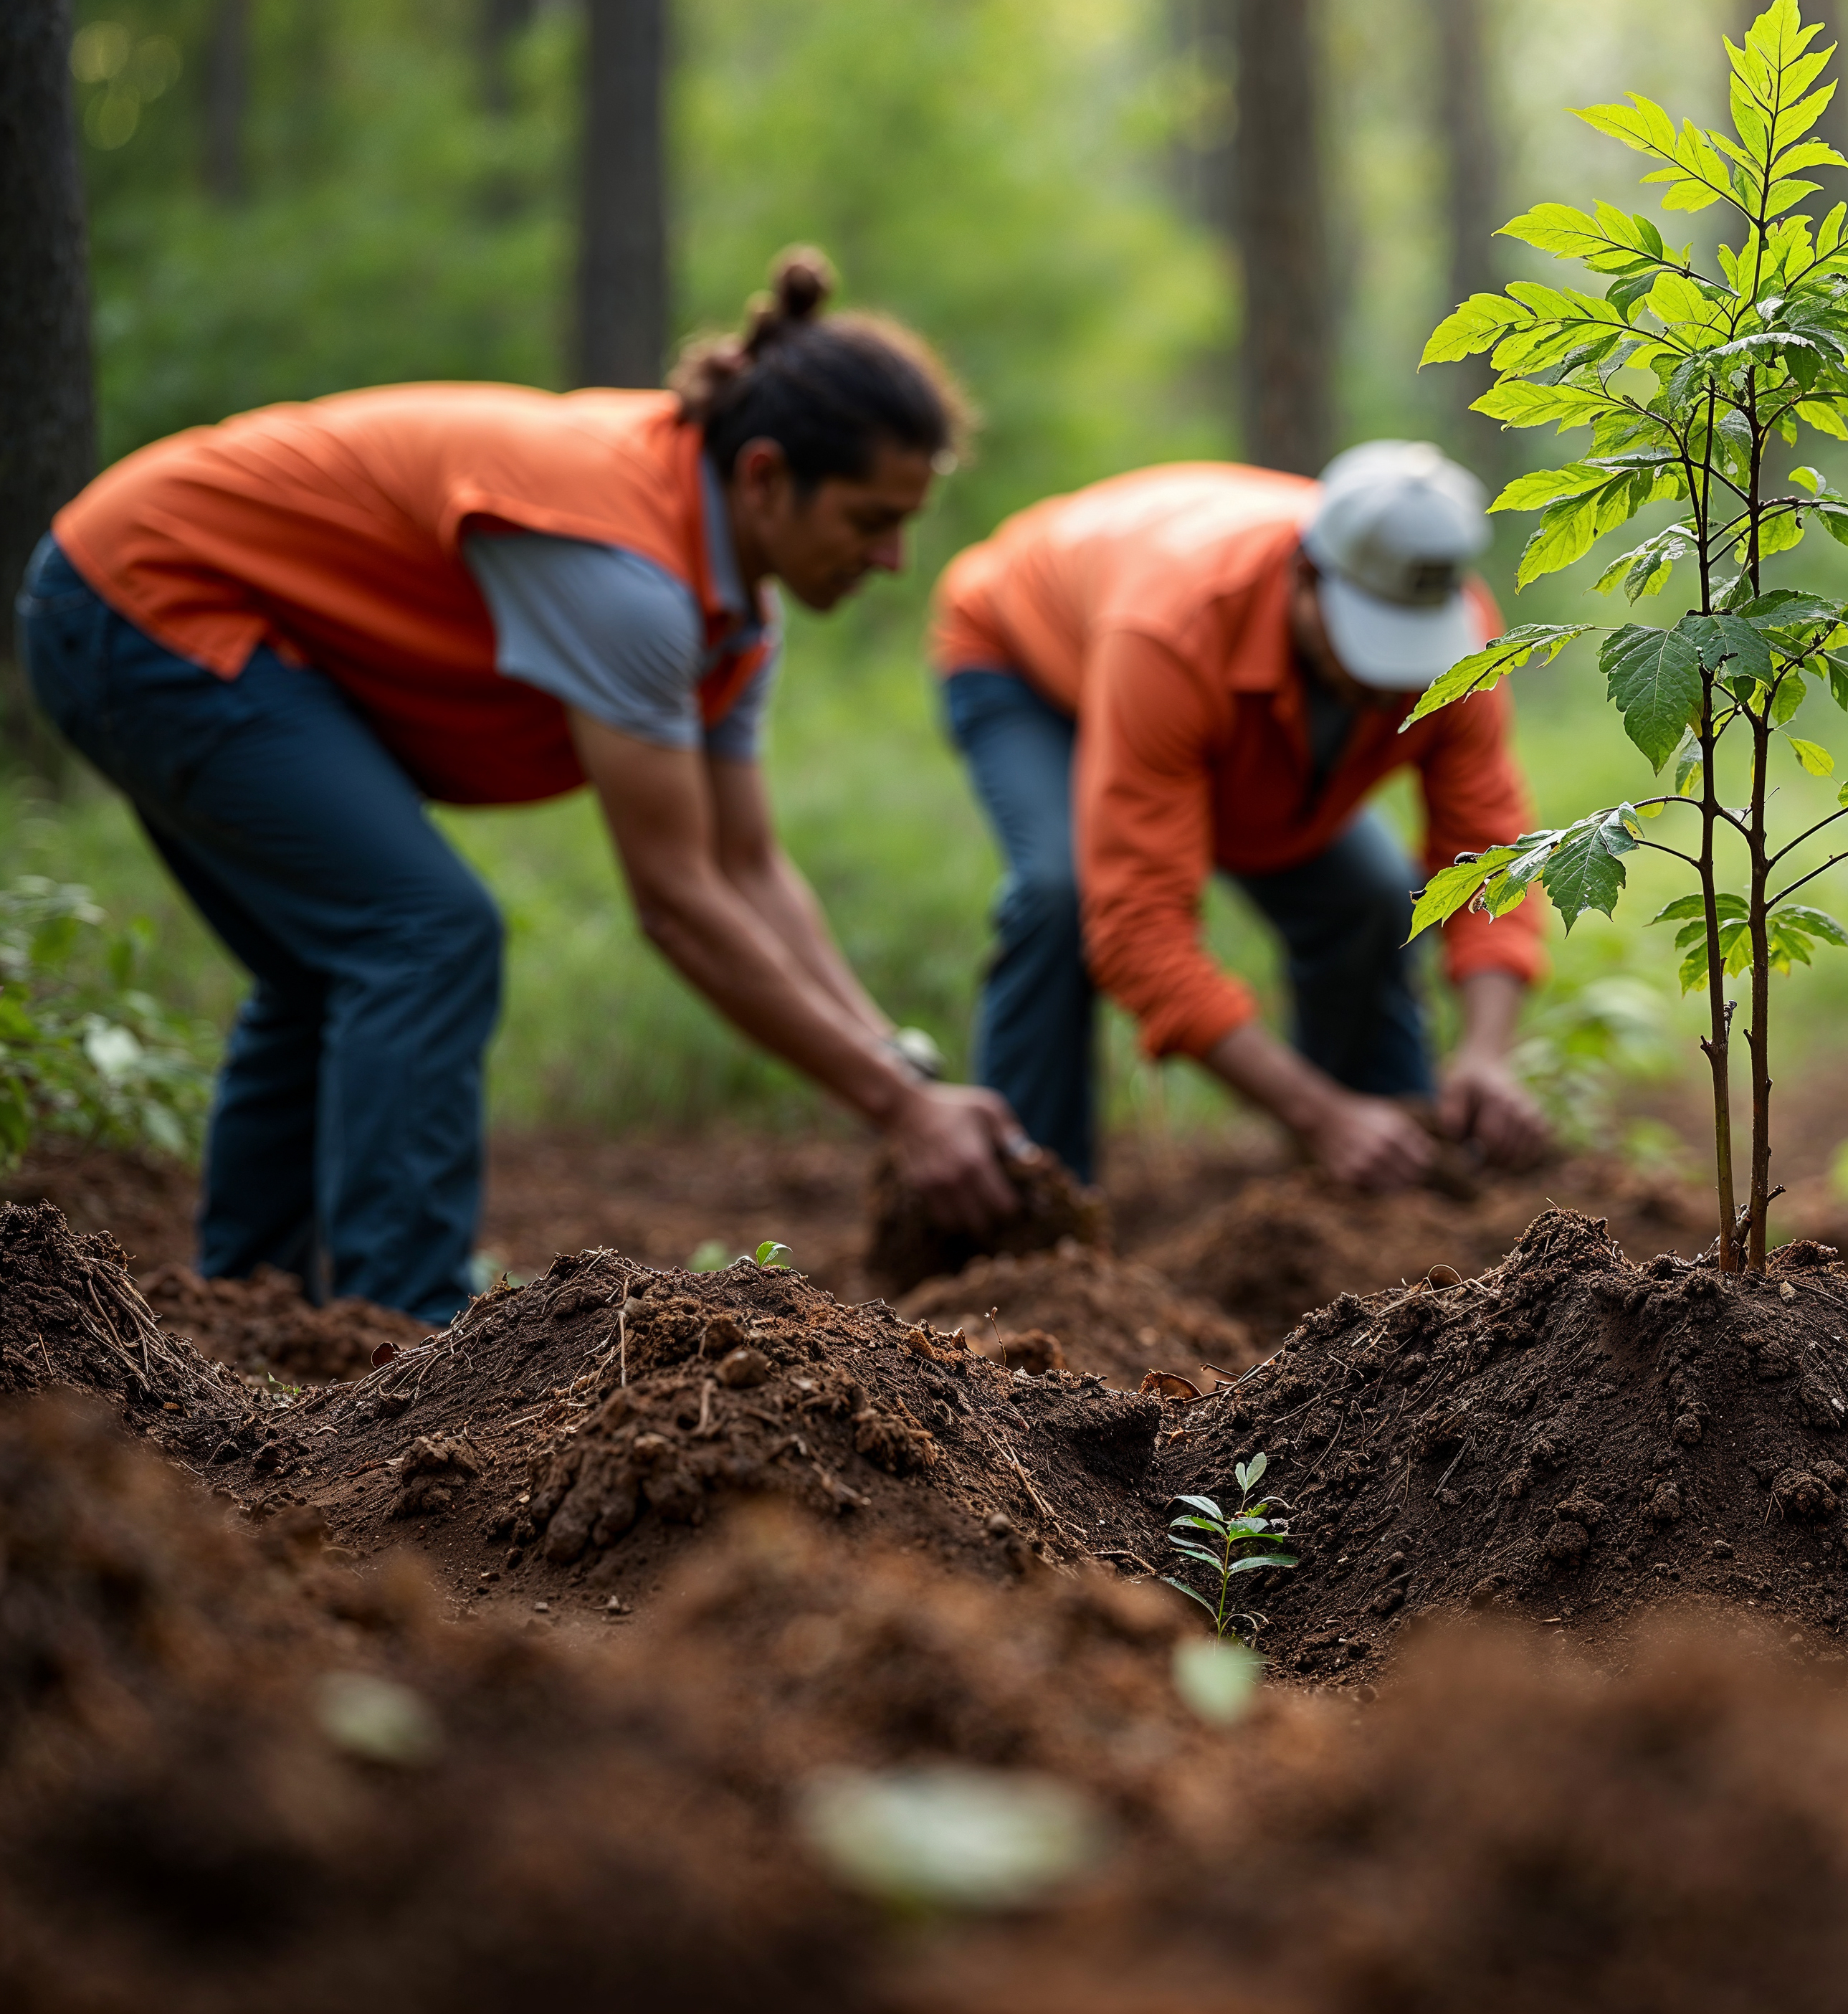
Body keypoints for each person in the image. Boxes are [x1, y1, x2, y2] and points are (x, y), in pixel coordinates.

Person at [16, 251, 1022, 1324]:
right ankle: (402, 1336)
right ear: (767, 478)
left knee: (333, 968)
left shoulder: (731, 607)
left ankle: (248, 1312)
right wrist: (900, 1111)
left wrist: (899, 1074)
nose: (895, 560)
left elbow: (750, 867)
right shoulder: (627, 576)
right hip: (145, 602)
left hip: (183, 614)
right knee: (423, 934)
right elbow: (680, 903)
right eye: (871, 521)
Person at [929, 442, 1553, 1192]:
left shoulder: (1458, 638)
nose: (1383, 684)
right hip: (1031, 660)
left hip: (1202, 702)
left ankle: (1389, 1171)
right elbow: (1137, 926)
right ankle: (1026, 1205)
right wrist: (1315, 1113)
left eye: (1406, 662)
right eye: (1367, 647)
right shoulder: (1174, 625)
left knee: (1368, 896)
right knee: (1061, 893)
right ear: (1305, 575)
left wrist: (1487, 1051)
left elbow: (1486, 851)